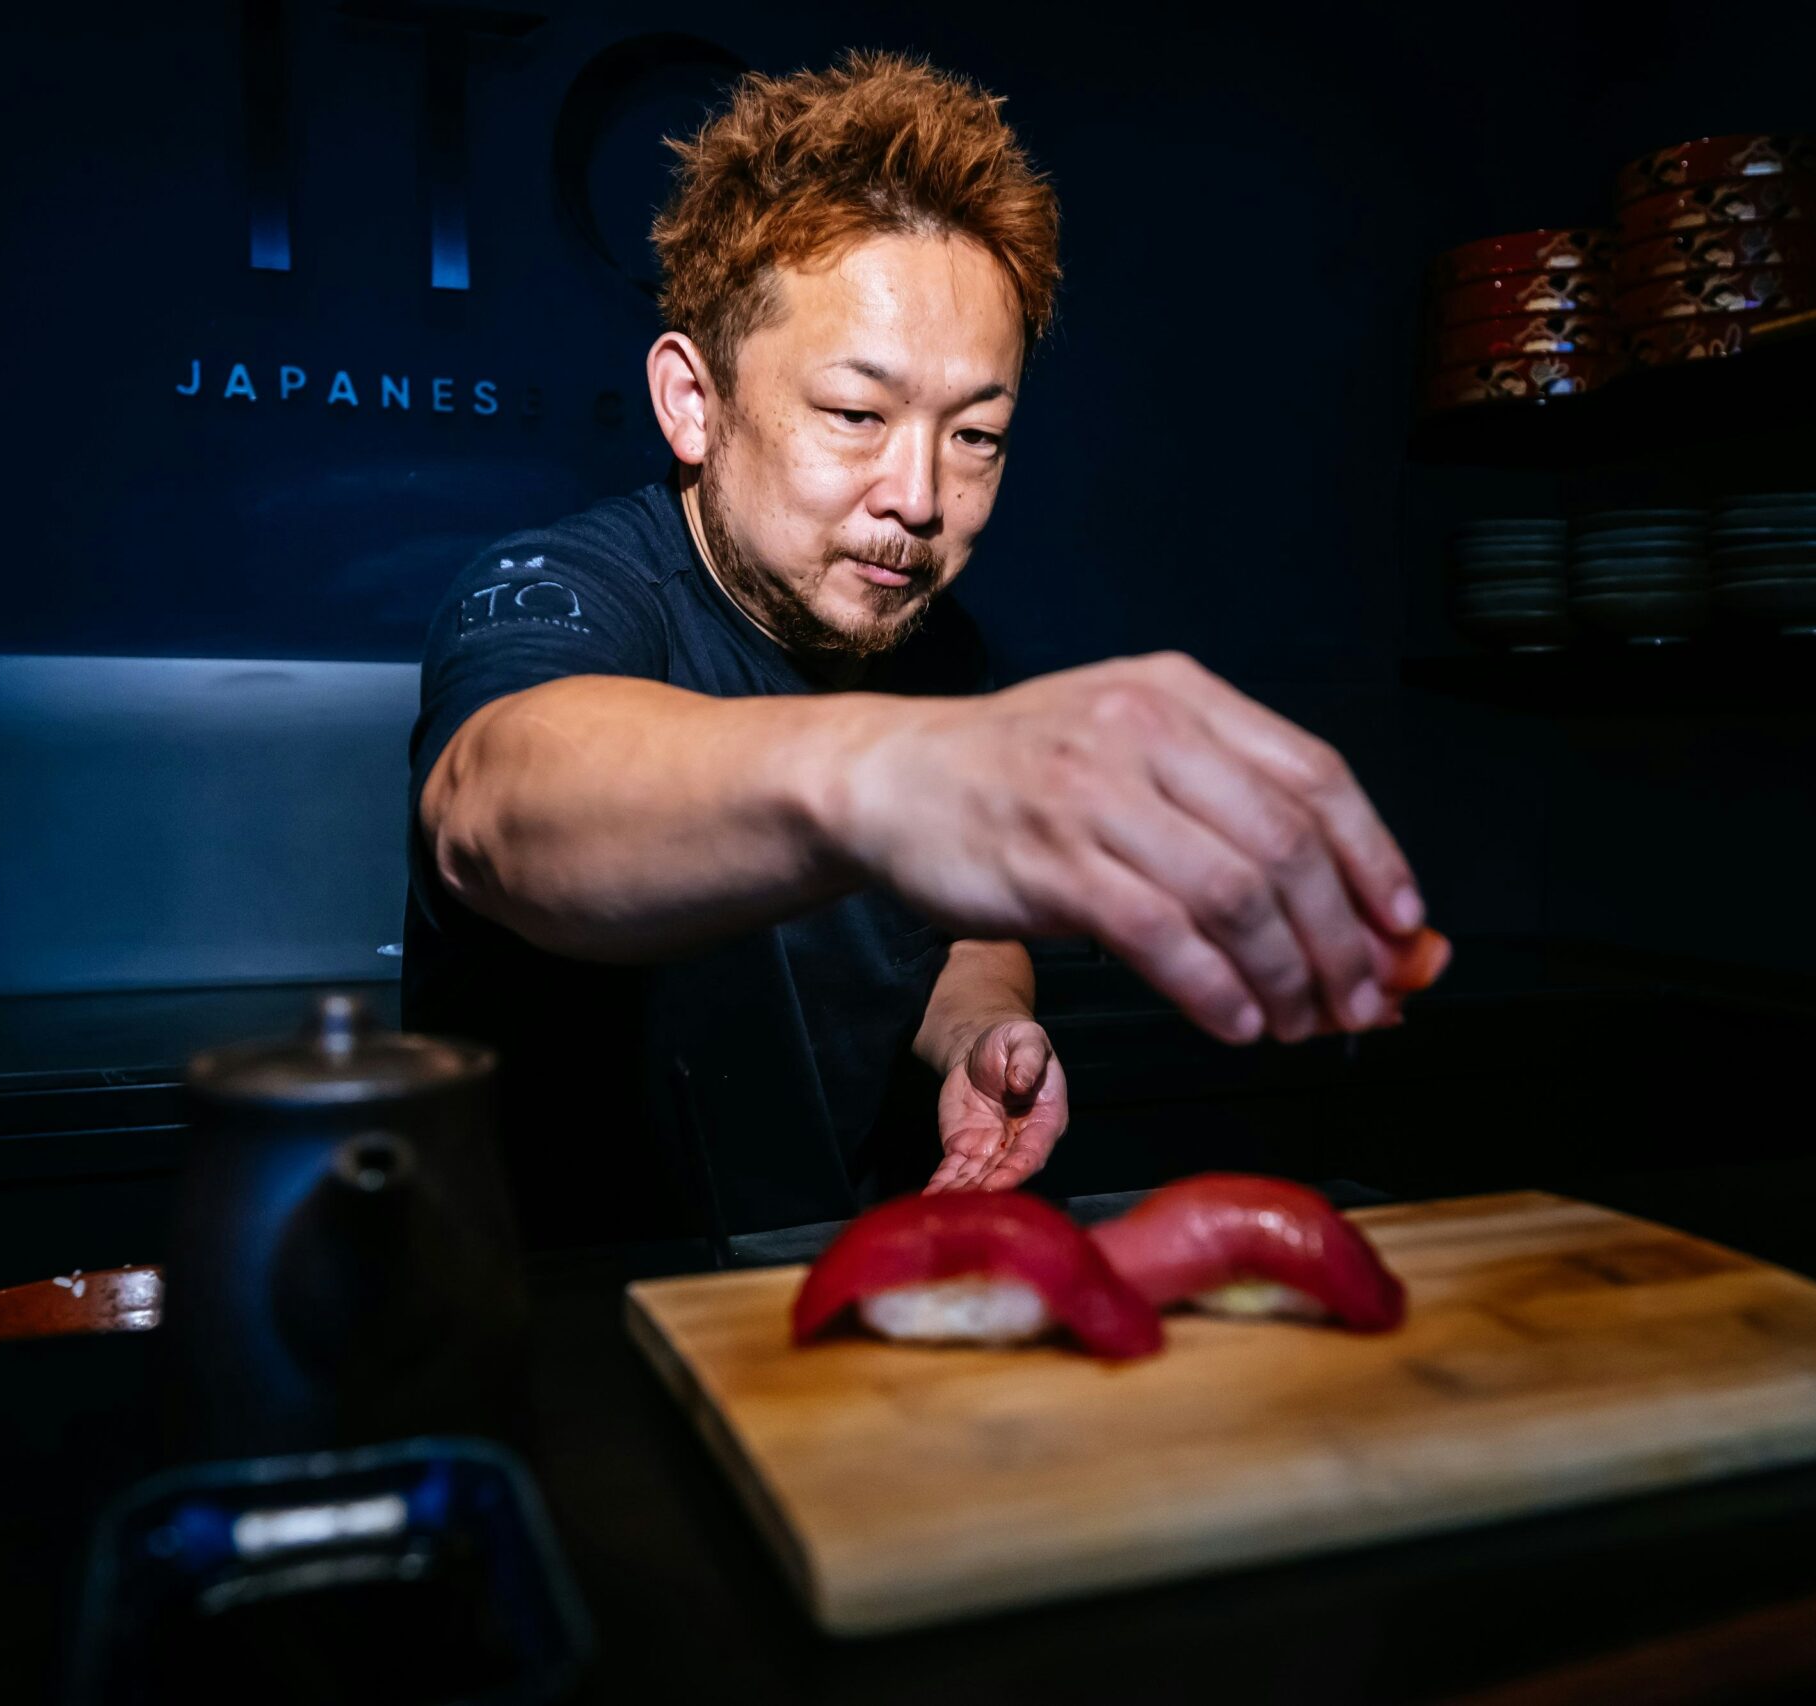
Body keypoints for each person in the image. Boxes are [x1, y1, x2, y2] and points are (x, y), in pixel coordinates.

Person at [403, 50, 1435, 1246]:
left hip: (815, 1292)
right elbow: (500, 805)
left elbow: (950, 922)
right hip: (558, 1343)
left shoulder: (934, 643)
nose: (920, 495)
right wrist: (891, 772)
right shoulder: (563, 590)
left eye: (978, 435)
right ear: (693, 400)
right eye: (856, 415)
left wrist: (981, 1028)